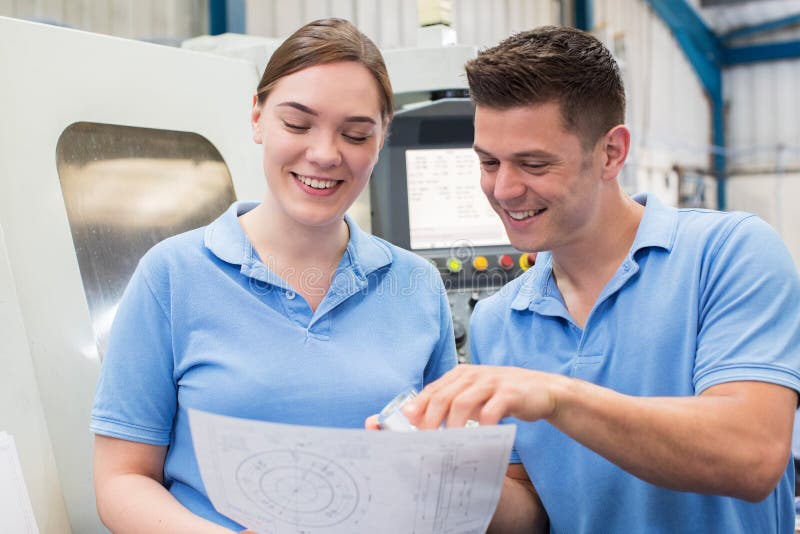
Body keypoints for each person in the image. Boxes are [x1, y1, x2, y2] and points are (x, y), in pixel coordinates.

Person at [399, 26, 800, 533]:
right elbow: (532, 513)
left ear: (611, 152)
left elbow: (751, 455)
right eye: (488, 162)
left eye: (534, 163)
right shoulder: (500, 322)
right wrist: (440, 473)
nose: (503, 188)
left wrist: (558, 396)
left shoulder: (728, 255)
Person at [91, 18, 456, 533]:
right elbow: (121, 480)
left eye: (354, 134)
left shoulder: (416, 284)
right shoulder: (172, 276)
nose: (325, 154)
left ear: (381, 140)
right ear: (258, 118)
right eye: (298, 124)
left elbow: (444, 473)